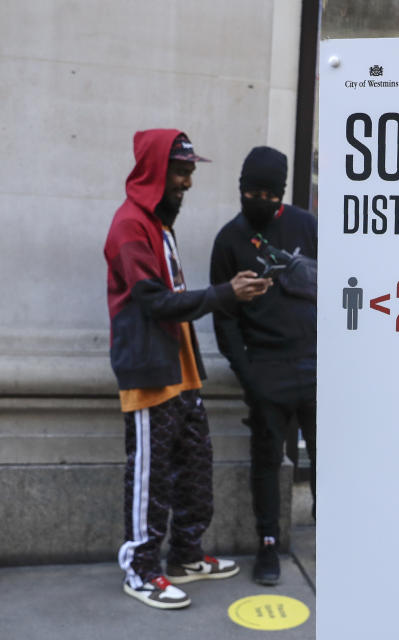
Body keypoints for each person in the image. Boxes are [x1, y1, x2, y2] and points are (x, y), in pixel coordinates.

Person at [104, 129, 270, 609]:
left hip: (181, 372)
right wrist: (224, 294)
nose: (188, 182)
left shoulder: (157, 224)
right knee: (150, 478)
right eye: (181, 171)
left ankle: (185, 555)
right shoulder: (129, 227)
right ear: (156, 171)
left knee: (195, 466)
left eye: (191, 171)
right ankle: (140, 568)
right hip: (150, 375)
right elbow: (156, 302)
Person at [210, 146, 318, 586]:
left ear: (281, 193)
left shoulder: (307, 227)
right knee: (267, 461)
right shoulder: (229, 239)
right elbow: (224, 317)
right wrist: (248, 374)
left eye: (265, 193)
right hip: (266, 369)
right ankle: (267, 544)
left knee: (330, 458)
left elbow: (339, 287)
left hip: (314, 366)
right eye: (248, 191)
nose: (255, 199)